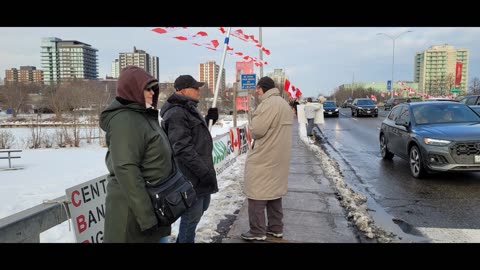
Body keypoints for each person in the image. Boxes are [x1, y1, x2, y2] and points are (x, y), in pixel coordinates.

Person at [100, 66, 173, 243]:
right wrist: (147, 218)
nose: (152, 93)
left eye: (153, 89)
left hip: (153, 206)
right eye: (146, 89)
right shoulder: (125, 120)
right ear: (131, 90)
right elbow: (126, 169)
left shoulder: (144, 116)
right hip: (133, 215)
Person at [160, 74, 219, 243]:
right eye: (195, 88)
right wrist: (204, 172)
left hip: (199, 174)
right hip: (190, 176)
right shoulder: (177, 113)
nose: (199, 90)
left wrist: (209, 120)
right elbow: (182, 148)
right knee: (191, 219)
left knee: (202, 208)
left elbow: (195, 134)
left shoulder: (188, 108)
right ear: (184, 91)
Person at [241, 76, 293, 241]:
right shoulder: (284, 104)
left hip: (264, 157)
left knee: (257, 193)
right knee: (274, 193)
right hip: (279, 156)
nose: (256, 91)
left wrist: (252, 118)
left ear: (263, 88)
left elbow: (257, 130)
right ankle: (276, 228)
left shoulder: (268, 104)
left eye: (257, 88)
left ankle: (257, 231)